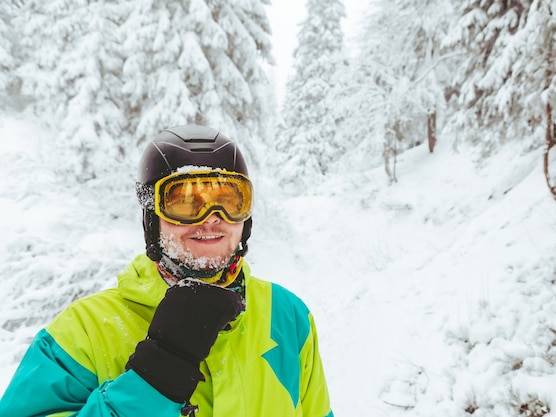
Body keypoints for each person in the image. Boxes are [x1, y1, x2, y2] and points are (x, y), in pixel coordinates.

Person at [0, 125, 334, 417]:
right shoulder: (82, 332)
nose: (211, 217)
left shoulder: (289, 317)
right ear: (151, 218)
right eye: (186, 201)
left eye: (229, 200)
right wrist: (154, 379)